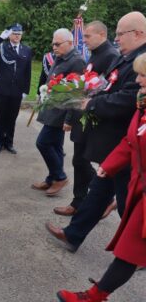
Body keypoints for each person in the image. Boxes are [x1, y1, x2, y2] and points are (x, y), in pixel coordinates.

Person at [46, 11, 146, 251]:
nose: (117, 38)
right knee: (100, 191)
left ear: (139, 33)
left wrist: (93, 103)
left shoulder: (142, 61)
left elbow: (128, 98)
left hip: (128, 142)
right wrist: (90, 95)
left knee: (127, 201)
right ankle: (74, 235)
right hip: (114, 141)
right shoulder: (125, 57)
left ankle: (140, 249)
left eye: (121, 34)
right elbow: (109, 85)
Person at [56, 52, 146, 302]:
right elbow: (131, 141)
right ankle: (95, 296)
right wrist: (110, 164)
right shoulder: (143, 103)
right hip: (141, 189)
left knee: (131, 249)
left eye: (143, 75)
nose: (137, 80)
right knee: (130, 250)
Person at [53, 21, 119, 216]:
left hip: (95, 118)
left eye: (88, 37)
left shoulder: (111, 56)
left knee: (85, 161)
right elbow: (86, 86)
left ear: (101, 34)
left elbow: (107, 89)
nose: (84, 40)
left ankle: (103, 198)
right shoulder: (95, 54)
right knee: (78, 160)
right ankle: (79, 201)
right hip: (84, 116)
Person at [32, 28, 85, 196]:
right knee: (55, 145)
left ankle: (60, 177)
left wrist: (69, 119)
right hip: (52, 108)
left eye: (57, 44)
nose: (53, 47)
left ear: (70, 43)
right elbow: (51, 79)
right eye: (53, 43)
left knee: (43, 142)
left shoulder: (76, 62)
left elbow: (77, 93)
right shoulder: (60, 56)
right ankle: (52, 178)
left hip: (61, 112)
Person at [0, 23, 32, 153]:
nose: (17, 36)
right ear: (10, 35)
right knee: (1, 116)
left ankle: (9, 142)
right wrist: (0, 37)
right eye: (15, 33)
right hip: (2, 89)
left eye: (19, 34)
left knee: (12, 117)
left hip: (17, 90)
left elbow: (27, 72)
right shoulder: (2, 47)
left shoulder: (26, 50)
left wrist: (25, 90)